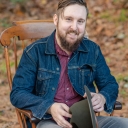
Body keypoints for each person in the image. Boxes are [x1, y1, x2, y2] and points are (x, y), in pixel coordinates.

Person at [10, 0, 128, 128]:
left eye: (80, 21)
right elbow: (18, 93)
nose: (74, 27)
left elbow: (110, 84)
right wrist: (49, 107)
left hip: (87, 122)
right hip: (49, 121)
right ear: (56, 20)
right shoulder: (34, 52)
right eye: (68, 19)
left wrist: (103, 97)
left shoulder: (92, 50)